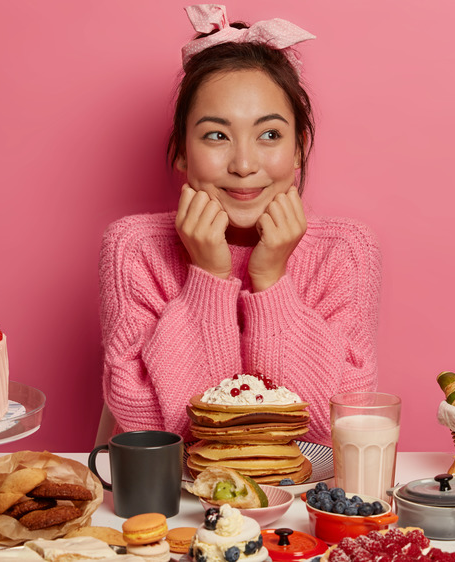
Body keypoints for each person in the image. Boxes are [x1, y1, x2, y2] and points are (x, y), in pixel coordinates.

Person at [99, 5, 380, 445]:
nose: (245, 165)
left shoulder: (344, 250)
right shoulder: (134, 248)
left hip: (304, 507)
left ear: (299, 149)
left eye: (269, 135)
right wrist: (207, 278)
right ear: (181, 151)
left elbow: (336, 430)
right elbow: (154, 434)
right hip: (179, 509)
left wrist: (271, 282)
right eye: (216, 135)